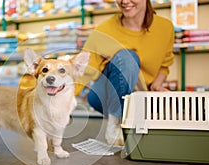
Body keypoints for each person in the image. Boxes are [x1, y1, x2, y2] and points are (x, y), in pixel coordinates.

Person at [75, 0, 175, 146]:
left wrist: (157, 84)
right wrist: (57, 102)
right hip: (104, 97)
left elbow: (164, 65)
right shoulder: (105, 30)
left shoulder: (165, 28)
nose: (124, 1)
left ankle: (127, 120)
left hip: (137, 96)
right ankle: (116, 124)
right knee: (127, 57)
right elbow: (84, 70)